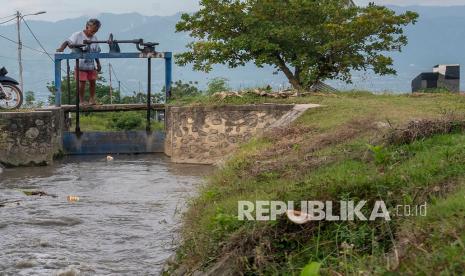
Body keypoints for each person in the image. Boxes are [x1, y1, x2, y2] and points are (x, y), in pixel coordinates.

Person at [56, 19, 102, 106]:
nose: (93, 33)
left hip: (91, 65)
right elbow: (67, 42)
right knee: (82, 83)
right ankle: (81, 101)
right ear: (87, 27)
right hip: (80, 65)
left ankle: (92, 99)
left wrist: (98, 63)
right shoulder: (78, 35)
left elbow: (96, 52)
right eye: (92, 30)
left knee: (93, 81)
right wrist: (62, 48)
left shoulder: (94, 38)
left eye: (95, 31)